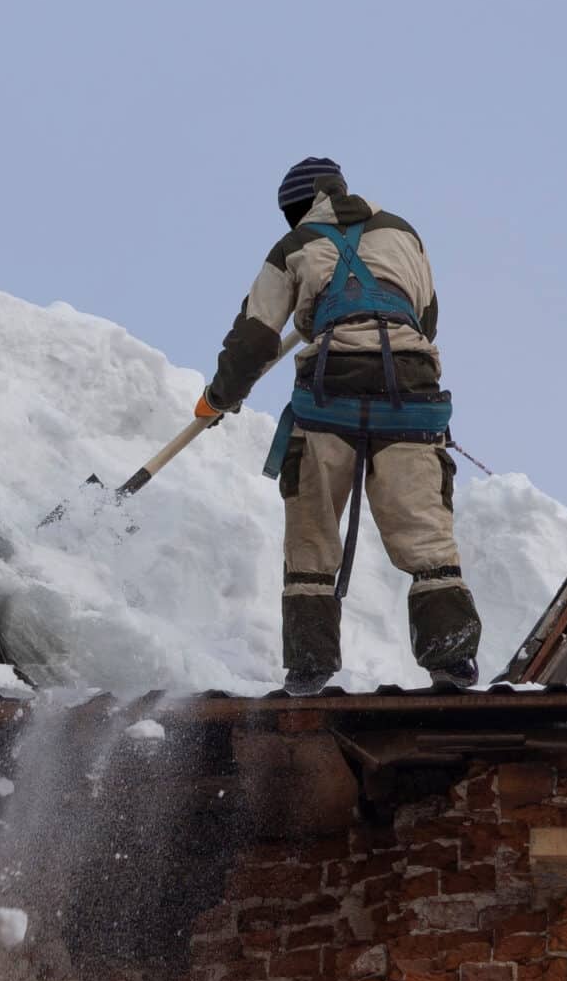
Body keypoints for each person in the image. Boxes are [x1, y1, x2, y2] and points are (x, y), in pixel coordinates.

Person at [199, 157, 482, 694]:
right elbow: (426, 318)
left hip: (329, 398)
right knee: (425, 532)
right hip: (410, 395)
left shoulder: (293, 246)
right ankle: (451, 659)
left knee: (311, 530)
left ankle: (310, 666)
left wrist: (220, 397)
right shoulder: (403, 233)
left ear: (297, 209)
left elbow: (256, 338)